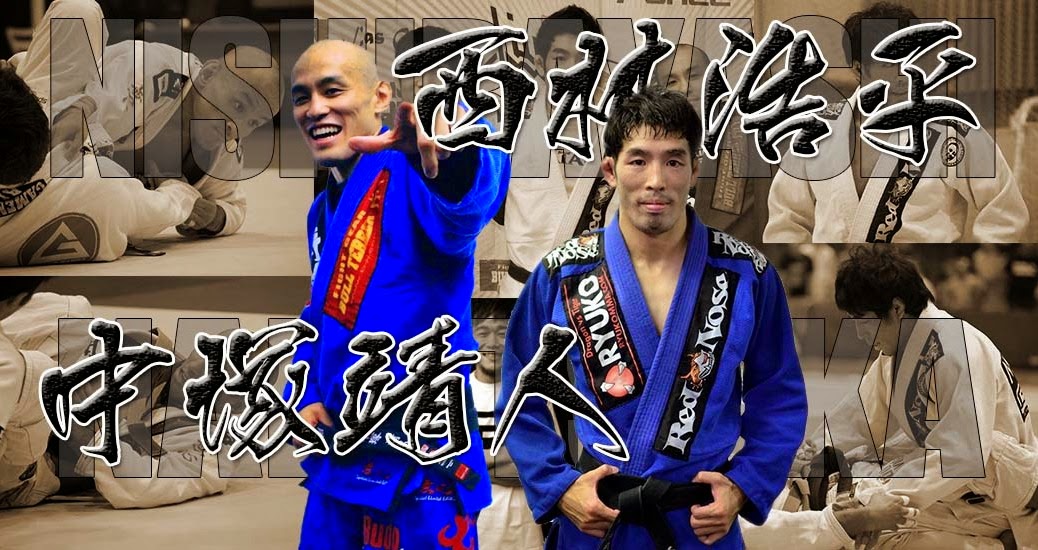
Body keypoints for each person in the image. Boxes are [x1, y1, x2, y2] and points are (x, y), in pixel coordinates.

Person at [497, 87, 808, 549]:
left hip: (700, 523)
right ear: (610, 169)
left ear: (695, 170)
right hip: (599, 519)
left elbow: (778, 394)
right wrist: (560, 487)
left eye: (674, 161)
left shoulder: (747, 274)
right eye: (638, 160)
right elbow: (520, 392)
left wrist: (743, 485)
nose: (656, 180)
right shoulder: (563, 273)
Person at [288, 39, 509, 548]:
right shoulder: (321, 212)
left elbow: (466, 208)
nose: (315, 109)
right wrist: (307, 391)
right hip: (342, 456)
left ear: (381, 96)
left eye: (332, 91)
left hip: (424, 464)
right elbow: (319, 315)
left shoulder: (413, 172)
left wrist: (454, 160)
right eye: (302, 97)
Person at [764, 2, 1028, 243]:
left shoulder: (950, 129)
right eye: (890, 62)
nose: (906, 71)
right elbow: (787, 218)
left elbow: (1004, 212)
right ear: (858, 68)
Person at [829, 245, 1037, 548]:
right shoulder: (898, 352)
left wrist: (884, 504)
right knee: (847, 508)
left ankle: (1001, 543)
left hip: (1003, 497)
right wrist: (813, 455)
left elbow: (963, 455)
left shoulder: (955, 348)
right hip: (956, 492)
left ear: (896, 309)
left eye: (863, 320)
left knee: (869, 527)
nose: (860, 333)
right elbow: (860, 419)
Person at [499, 5, 618, 297]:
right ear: (540, 63)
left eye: (585, 59)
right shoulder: (512, 127)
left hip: (596, 294)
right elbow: (490, 202)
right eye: (561, 58)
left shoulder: (621, 131)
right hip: (523, 290)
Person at [470, 305, 544, 549]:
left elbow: (544, 463)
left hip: (523, 528)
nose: (492, 342)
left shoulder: (530, 394)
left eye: (502, 333)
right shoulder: (456, 393)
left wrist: (474, 463)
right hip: (470, 527)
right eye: (483, 332)